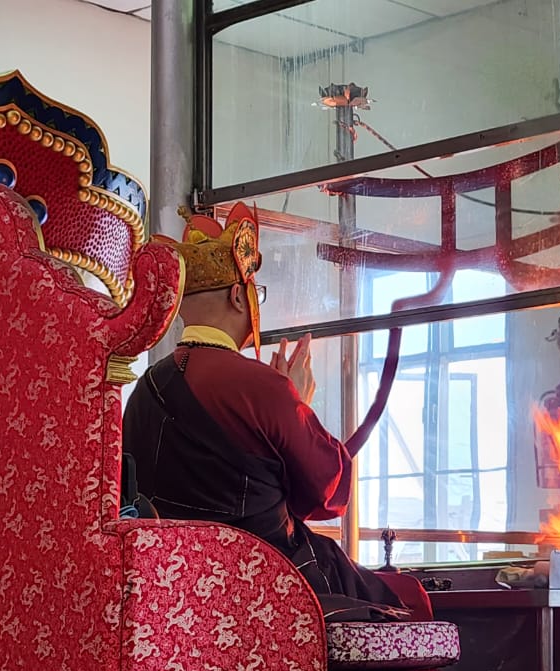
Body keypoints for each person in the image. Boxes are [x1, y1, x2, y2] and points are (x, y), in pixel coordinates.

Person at [121, 203, 407, 623]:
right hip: (265, 585)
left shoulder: (143, 391)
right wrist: (297, 402)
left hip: (172, 595)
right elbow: (328, 493)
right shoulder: (261, 386)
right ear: (239, 295)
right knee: (406, 605)